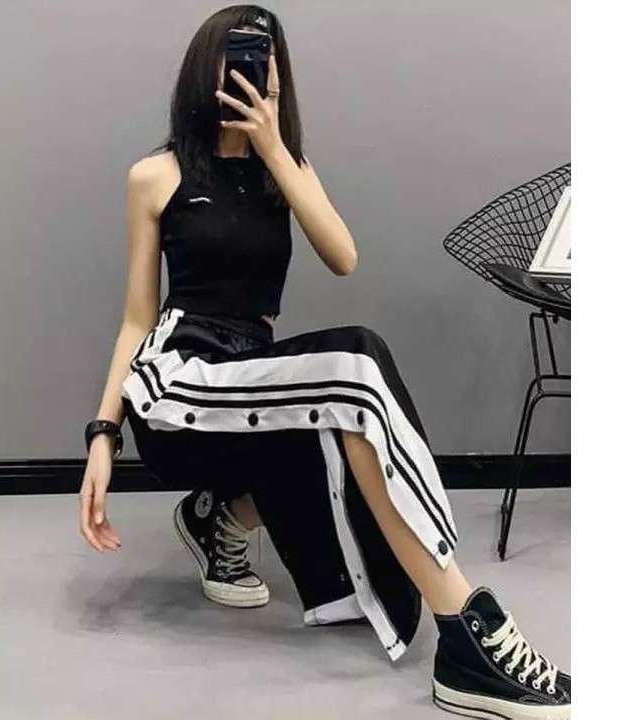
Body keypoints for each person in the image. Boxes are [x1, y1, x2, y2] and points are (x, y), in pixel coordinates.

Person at [78, 5, 571, 718]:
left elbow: (343, 257)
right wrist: (103, 434)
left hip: (252, 376)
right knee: (354, 369)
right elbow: (136, 318)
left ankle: (220, 518)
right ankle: (466, 630)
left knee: (345, 418)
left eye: (266, 68)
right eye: (237, 60)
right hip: (179, 384)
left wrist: (275, 149)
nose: (252, 78)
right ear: (205, 70)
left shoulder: (287, 169)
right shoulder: (156, 175)